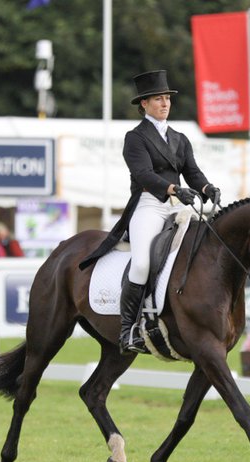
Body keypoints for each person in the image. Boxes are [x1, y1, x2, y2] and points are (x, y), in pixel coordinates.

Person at [78, 69, 220, 354]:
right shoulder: (136, 138)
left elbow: (192, 172)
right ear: (144, 104)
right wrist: (171, 189)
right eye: (158, 99)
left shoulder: (180, 138)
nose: (165, 104)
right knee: (142, 263)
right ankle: (128, 329)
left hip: (179, 206)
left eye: (167, 98)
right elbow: (142, 174)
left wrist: (206, 188)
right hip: (149, 205)